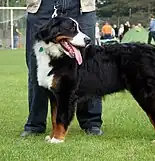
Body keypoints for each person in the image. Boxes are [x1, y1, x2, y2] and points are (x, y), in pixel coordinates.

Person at [21, 0, 103, 137]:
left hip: (81, 5)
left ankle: (91, 122)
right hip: (42, 5)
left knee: (87, 65)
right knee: (36, 67)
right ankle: (35, 124)